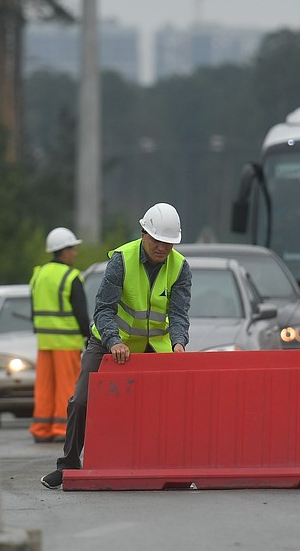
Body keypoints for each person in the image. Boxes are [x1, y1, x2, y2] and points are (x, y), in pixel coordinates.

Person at [40, 202, 192, 489]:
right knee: (82, 400)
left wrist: (179, 342)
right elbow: (103, 310)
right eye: (157, 241)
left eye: (169, 243)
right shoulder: (121, 260)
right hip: (109, 341)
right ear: (144, 233)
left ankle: (172, 467)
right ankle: (69, 465)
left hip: (153, 345)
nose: (162, 248)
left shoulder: (180, 267)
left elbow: (179, 313)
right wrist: (114, 341)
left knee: (171, 403)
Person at [28, 226, 89, 442]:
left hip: (44, 342)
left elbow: (34, 307)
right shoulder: (71, 276)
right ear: (63, 251)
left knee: (44, 386)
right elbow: (81, 312)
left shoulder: (39, 275)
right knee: (67, 386)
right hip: (66, 341)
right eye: (72, 248)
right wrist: (88, 335)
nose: (75, 253)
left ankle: (41, 429)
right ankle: (63, 429)